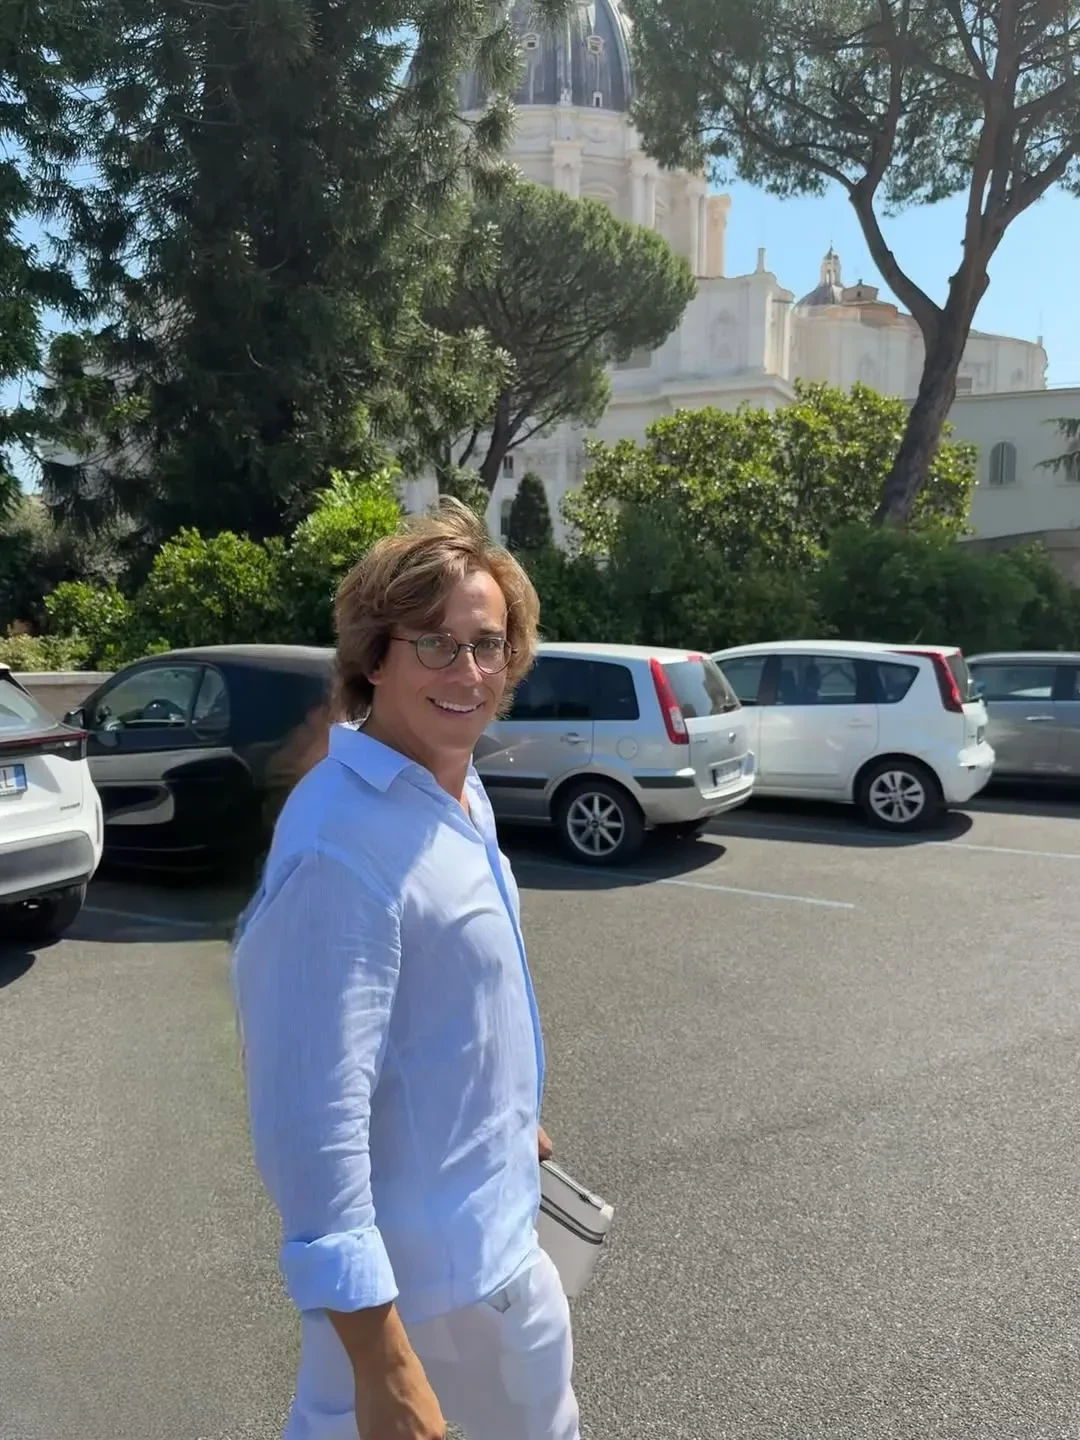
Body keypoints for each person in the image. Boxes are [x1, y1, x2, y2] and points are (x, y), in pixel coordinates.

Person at [231, 498, 581, 1440]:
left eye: (488, 644)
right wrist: (382, 1363)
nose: (469, 671)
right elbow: (309, 1122)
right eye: (435, 643)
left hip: (498, 1257)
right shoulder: (341, 845)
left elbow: (450, 1001)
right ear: (374, 659)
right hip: (431, 1308)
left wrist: (503, 1112)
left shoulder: (453, 793)